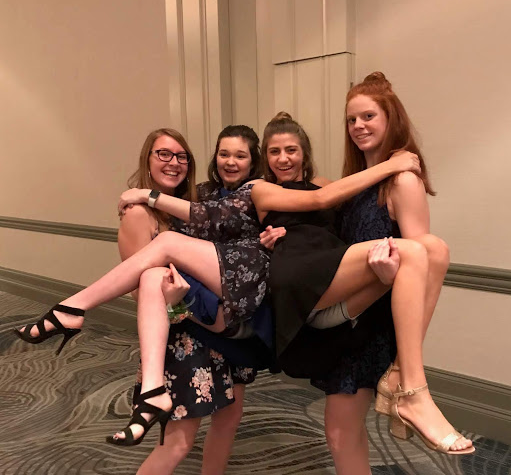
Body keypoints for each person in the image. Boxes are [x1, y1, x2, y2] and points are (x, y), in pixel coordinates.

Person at [13, 130, 418, 452]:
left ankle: (73, 309)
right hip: (205, 305)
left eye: (242, 155)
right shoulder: (206, 194)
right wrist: (146, 200)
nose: (232, 161)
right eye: (225, 154)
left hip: (248, 293)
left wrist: (392, 165)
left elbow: (325, 202)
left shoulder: (258, 188)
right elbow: (200, 220)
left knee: (166, 251)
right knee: (153, 276)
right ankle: (150, 389)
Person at [251, 108, 474, 463]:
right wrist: (394, 164)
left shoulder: (331, 184)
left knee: (434, 248)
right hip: (304, 285)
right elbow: (318, 202)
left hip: (341, 282)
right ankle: (412, 391)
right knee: (415, 250)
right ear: (265, 156)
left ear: (304, 153)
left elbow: (338, 219)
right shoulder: (262, 188)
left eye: (291, 150)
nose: (283, 158)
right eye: (274, 151)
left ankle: (402, 374)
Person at [127, 125, 265, 474]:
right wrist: (177, 306)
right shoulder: (138, 214)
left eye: (181, 156)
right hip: (180, 336)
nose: (173, 163)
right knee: (178, 442)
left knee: (229, 416)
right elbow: (139, 291)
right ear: (147, 159)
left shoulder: (199, 202)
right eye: (163, 154)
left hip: (219, 330)